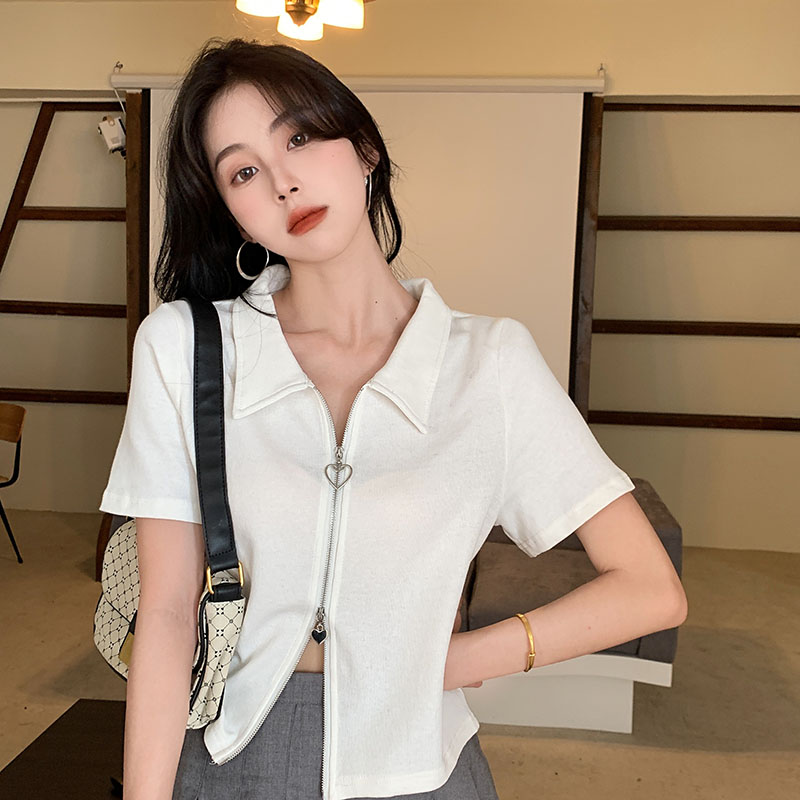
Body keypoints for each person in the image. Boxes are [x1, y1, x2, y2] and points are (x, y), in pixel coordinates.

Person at [98, 37, 688, 800]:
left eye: (300, 138)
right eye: (243, 171)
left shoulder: (491, 363)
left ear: (365, 149)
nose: (283, 183)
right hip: (231, 756)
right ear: (231, 211)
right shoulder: (181, 348)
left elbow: (650, 588)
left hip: (422, 767)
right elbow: (167, 614)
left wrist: (459, 660)